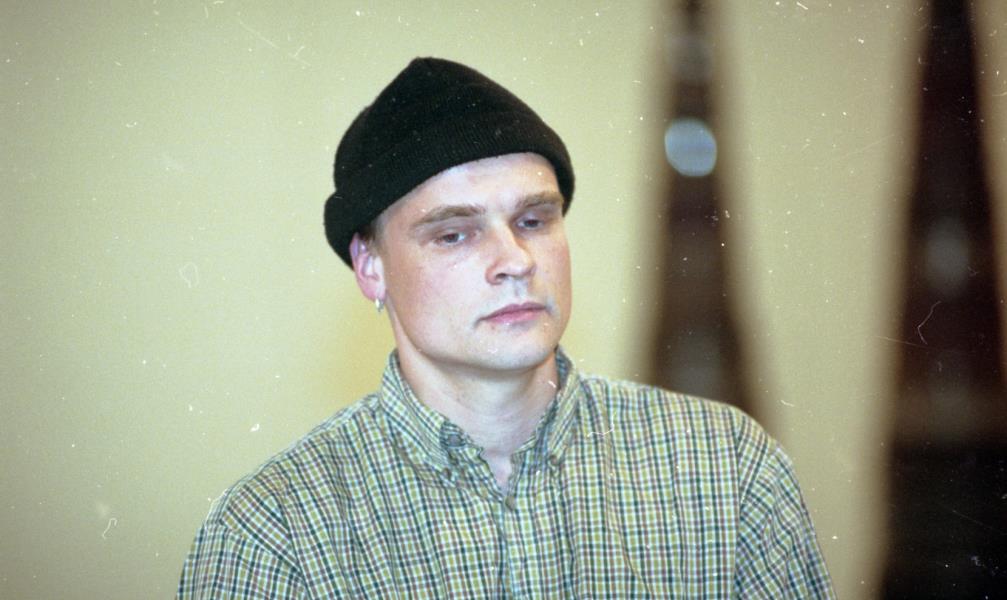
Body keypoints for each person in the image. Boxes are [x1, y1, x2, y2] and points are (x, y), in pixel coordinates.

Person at [177, 57, 834, 599]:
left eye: (533, 221)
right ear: (371, 267)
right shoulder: (274, 531)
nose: (516, 260)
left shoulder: (726, 469)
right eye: (454, 234)